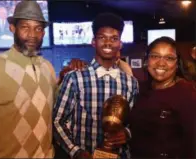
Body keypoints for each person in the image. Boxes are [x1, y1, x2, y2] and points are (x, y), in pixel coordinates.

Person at [53, 12, 139, 159]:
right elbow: (57, 121)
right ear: (93, 41)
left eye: (114, 38)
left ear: (120, 44)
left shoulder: (131, 82)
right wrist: (76, 152)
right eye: (102, 37)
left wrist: (126, 133)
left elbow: (135, 121)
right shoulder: (74, 78)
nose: (108, 43)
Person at [0, 1, 56, 158]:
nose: (32, 35)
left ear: (43, 33)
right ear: (13, 28)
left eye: (38, 28)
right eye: (25, 27)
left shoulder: (48, 67)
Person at [128, 37, 196, 158]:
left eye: (169, 58)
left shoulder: (187, 93)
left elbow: (192, 143)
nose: (161, 63)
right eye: (155, 56)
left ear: (177, 64)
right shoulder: (142, 88)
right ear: (147, 60)